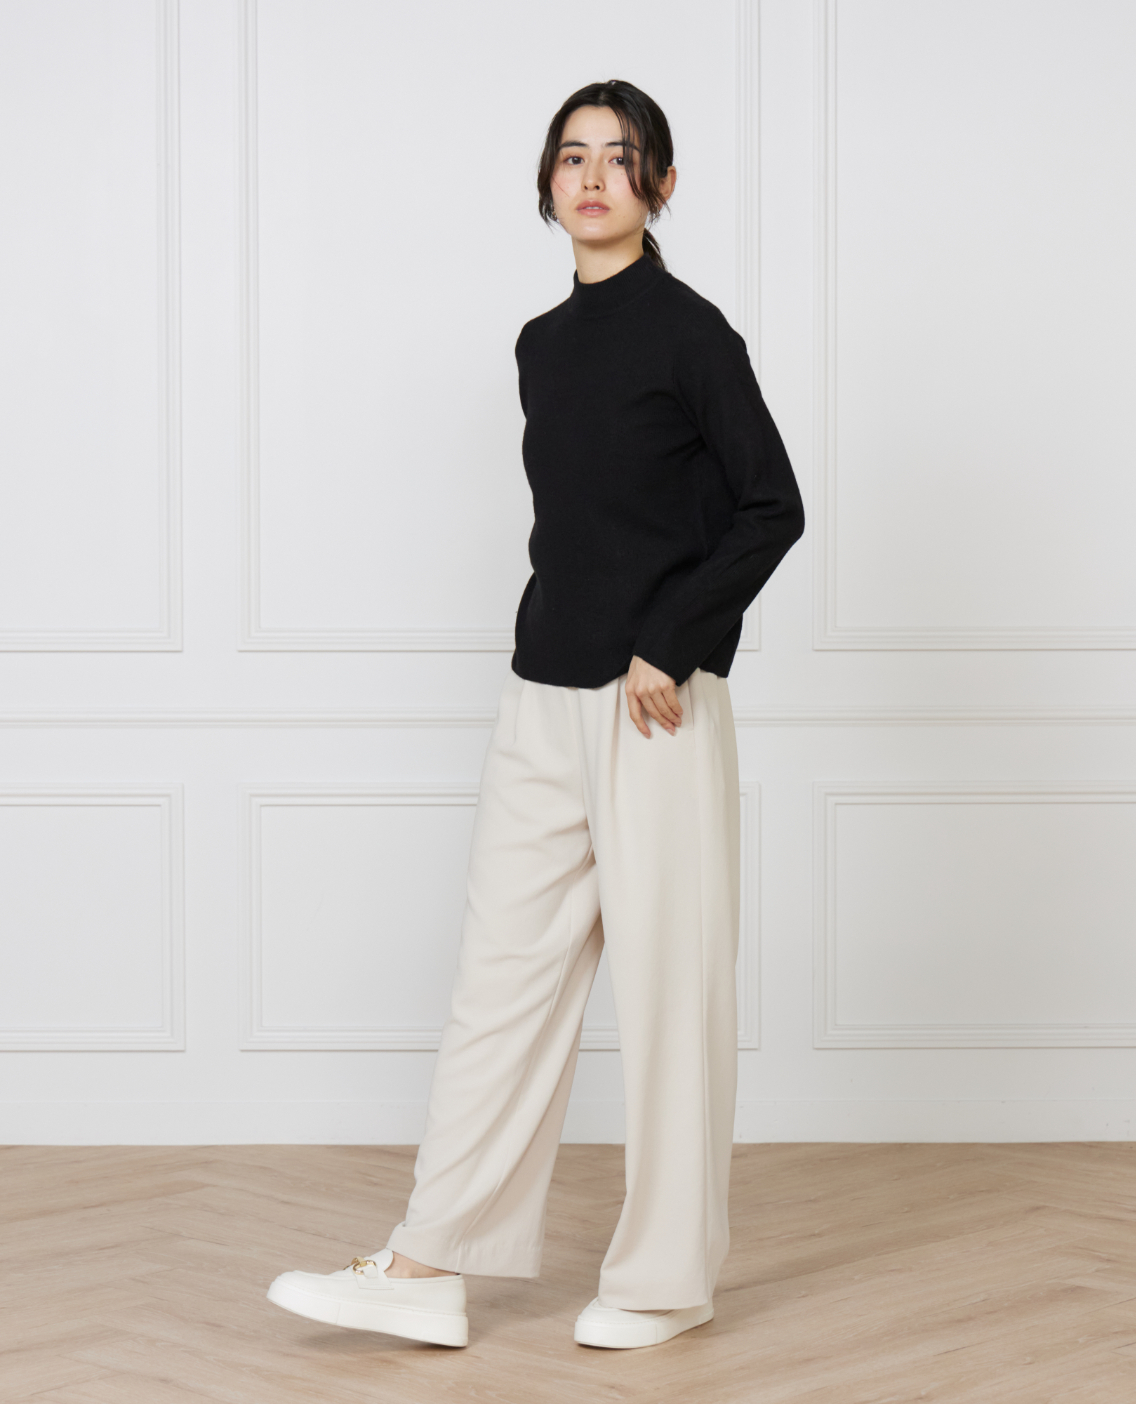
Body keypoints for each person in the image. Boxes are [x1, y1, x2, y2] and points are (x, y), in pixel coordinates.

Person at [267, 77, 804, 1352]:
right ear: (548, 184)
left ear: (660, 185)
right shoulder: (541, 345)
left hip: (654, 710)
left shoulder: (693, 335)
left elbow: (771, 505)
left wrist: (673, 641)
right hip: (539, 696)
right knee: (498, 987)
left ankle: (665, 1283)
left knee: (669, 1001)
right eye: (573, 156)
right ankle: (427, 1263)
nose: (594, 176)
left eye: (620, 156)